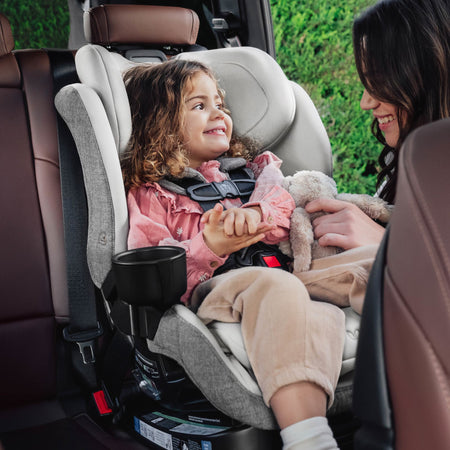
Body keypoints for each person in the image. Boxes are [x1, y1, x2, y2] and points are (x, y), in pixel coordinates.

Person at [121, 59, 347, 450]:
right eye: (199, 105)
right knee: (274, 286)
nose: (219, 114)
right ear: (159, 124)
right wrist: (209, 246)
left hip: (291, 273)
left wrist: (256, 214)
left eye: (220, 103)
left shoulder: (253, 171)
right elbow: (152, 272)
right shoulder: (153, 195)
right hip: (217, 293)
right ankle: (308, 438)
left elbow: (282, 205)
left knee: (372, 263)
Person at [306, 0, 450, 250]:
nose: (366, 103)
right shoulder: (406, 162)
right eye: (365, 82)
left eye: (380, 80)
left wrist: (385, 244)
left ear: (431, 73)